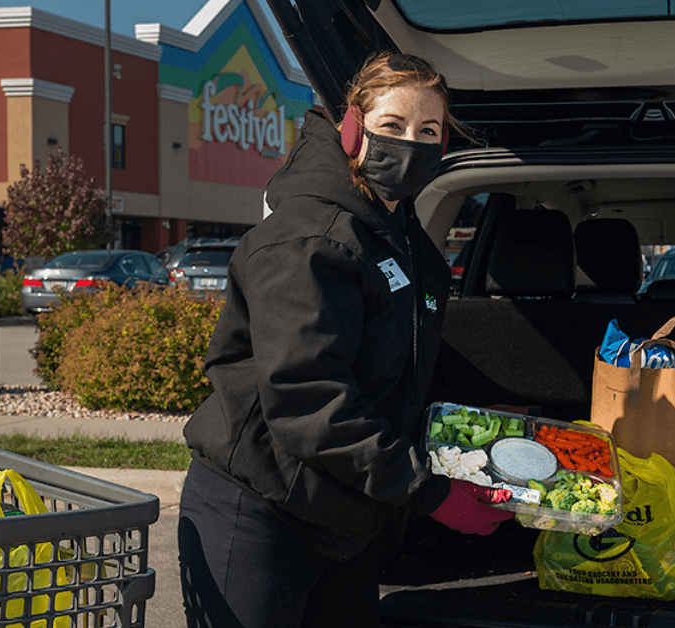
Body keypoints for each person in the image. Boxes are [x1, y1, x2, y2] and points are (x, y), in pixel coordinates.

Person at [178, 52, 514, 627]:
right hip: (263, 508)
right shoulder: (310, 237)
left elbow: (399, 372)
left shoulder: (402, 240)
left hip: (346, 517)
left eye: (428, 131)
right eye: (392, 126)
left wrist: (485, 434)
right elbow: (308, 398)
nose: (411, 142)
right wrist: (430, 492)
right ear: (352, 127)